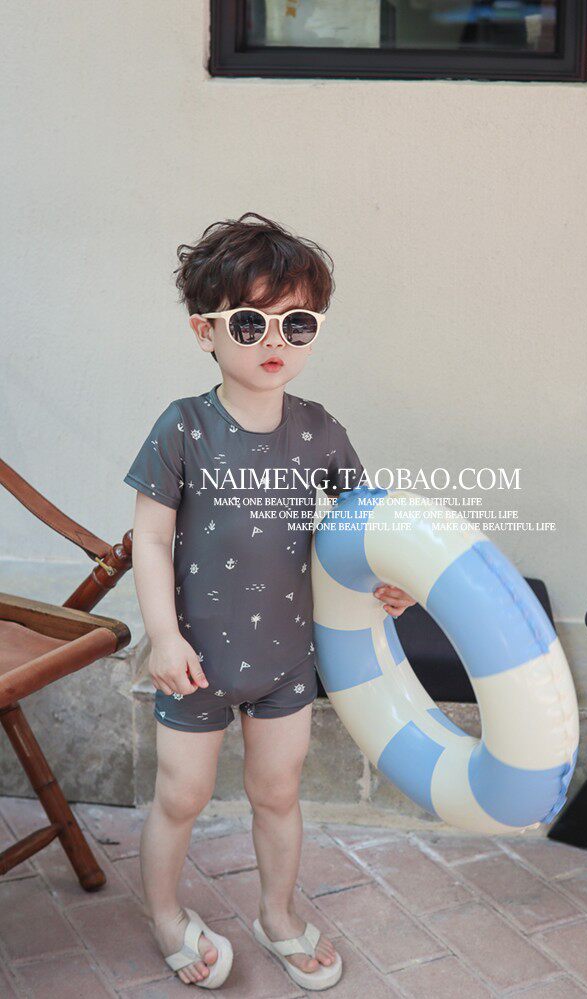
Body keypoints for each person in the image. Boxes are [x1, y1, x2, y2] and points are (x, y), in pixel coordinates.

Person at [124, 211, 415, 989]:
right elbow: (149, 538)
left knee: (279, 792)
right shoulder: (184, 428)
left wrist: (387, 583)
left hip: (286, 657)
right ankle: (165, 914)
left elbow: (361, 531)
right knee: (181, 795)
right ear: (205, 331)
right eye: (250, 322)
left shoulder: (321, 432)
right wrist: (163, 636)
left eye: (298, 322)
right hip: (195, 656)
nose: (273, 339)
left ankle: (277, 913)